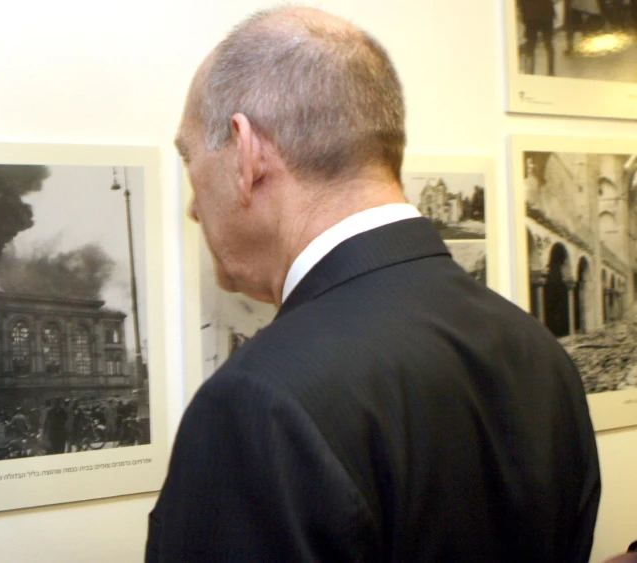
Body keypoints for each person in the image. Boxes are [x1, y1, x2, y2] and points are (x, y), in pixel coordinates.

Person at [147, 7, 600, 563]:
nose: (194, 206)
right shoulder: (538, 351)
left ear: (246, 153)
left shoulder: (259, 403)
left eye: (190, 160)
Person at [518, 0, 556, 75]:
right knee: (548, 44)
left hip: (531, 16)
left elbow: (520, 2)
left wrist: (522, 13)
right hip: (545, 14)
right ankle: (551, 71)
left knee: (530, 45)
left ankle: (529, 72)